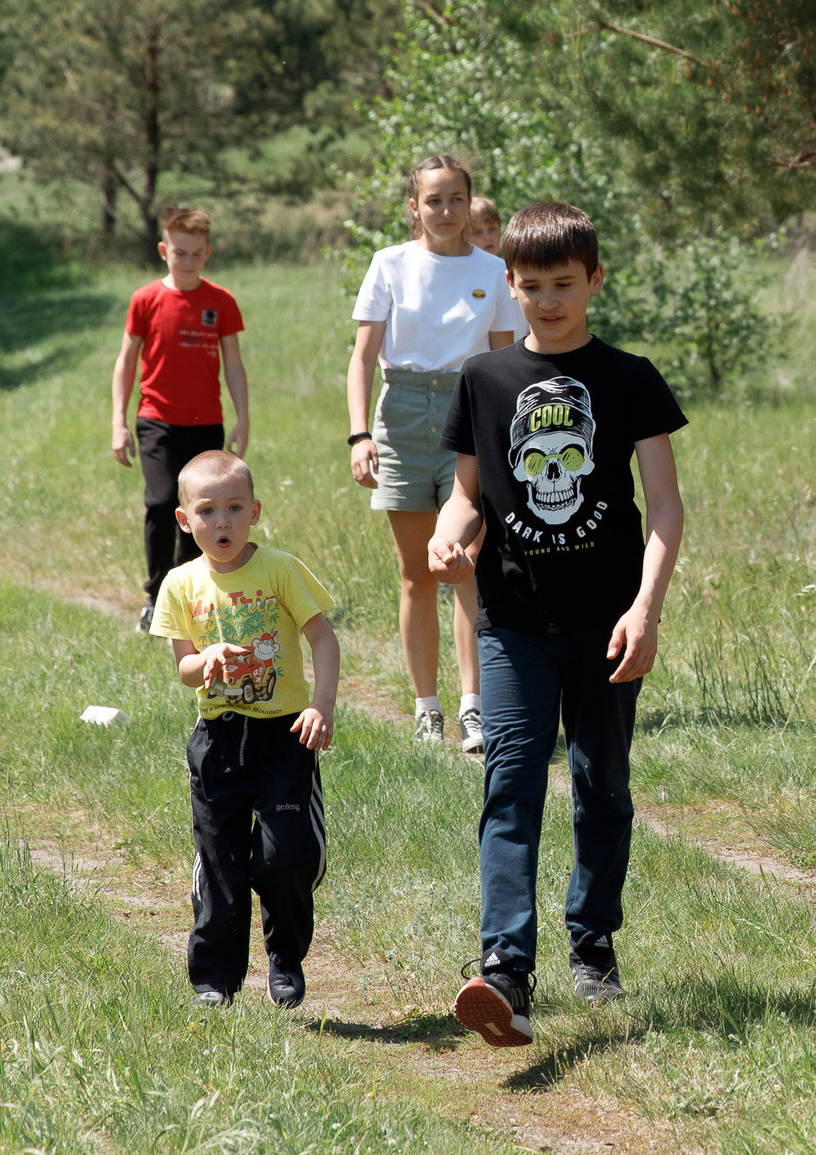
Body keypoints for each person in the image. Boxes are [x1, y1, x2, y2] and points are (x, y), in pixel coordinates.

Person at [427, 201, 686, 1047]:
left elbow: (666, 510)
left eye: (564, 284)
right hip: (511, 623)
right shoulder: (484, 379)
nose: (547, 300)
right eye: (531, 285)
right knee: (510, 785)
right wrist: (449, 532)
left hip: (610, 626)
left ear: (595, 281)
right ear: (508, 283)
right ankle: (506, 969)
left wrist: (645, 610)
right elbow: (471, 490)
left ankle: (593, 941)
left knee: (603, 785)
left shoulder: (631, 378)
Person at [346, 156, 525, 750]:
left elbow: (506, 365)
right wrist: (359, 434)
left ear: (470, 203)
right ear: (413, 207)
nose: (445, 211)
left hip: (469, 414)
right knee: (417, 573)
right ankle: (428, 709)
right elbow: (363, 359)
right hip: (401, 416)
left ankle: (475, 707)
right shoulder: (390, 264)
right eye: (433, 201)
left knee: (464, 567)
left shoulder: (494, 270)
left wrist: (505, 440)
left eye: (456, 200)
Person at [150, 450, 340, 1010]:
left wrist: (322, 704)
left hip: (286, 734)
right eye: (207, 511)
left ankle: (285, 959)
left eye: (235, 508)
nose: (223, 522)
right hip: (219, 738)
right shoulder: (180, 585)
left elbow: (322, 638)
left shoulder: (281, 568)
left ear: (254, 512)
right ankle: (215, 978)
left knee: (287, 858)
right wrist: (206, 658)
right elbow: (185, 668)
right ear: (185, 520)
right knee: (219, 861)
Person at [111, 206, 250, 633]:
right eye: (178, 252)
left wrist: (242, 419)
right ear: (163, 250)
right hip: (157, 419)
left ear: (207, 253)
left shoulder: (220, 301)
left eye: (195, 253)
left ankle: (188, 593)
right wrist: (118, 420)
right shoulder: (146, 299)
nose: (186, 261)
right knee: (160, 502)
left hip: (206, 423)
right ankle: (155, 595)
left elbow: (234, 366)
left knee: (201, 510)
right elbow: (126, 362)